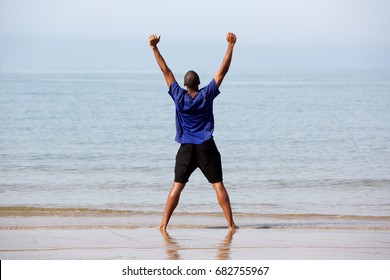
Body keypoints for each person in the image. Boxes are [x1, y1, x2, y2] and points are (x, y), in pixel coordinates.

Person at [149, 32, 238, 232]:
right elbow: (222, 71)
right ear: (198, 84)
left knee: (177, 186)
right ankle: (231, 225)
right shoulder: (206, 95)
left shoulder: (178, 96)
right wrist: (230, 46)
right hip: (206, 146)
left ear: (185, 84)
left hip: (186, 148)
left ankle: (163, 224)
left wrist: (154, 47)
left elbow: (165, 71)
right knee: (218, 185)